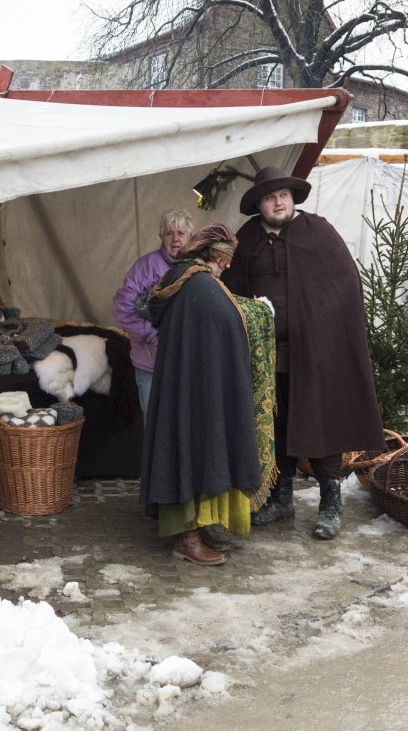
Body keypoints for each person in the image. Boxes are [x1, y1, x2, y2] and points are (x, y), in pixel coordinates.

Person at [222, 166, 383, 540]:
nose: (278, 202)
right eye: (269, 196)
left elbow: (344, 285)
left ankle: (330, 504)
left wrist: (322, 328)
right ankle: (282, 500)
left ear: (292, 198)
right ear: (259, 204)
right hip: (266, 355)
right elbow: (230, 290)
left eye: (283, 195)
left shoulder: (319, 233)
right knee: (277, 426)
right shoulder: (246, 239)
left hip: (316, 352)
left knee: (321, 422)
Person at [139, 223, 275, 565]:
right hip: (193, 390)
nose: (226, 266)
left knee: (193, 449)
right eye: (222, 258)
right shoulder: (199, 283)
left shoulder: (184, 279)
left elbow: (223, 313)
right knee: (192, 451)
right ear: (209, 254)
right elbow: (228, 316)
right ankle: (186, 538)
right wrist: (261, 311)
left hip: (189, 387)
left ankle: (197, 528)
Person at [112, 209, 194, 421]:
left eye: (181, 233)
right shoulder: (145, 267)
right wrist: (150, 335)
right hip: (152, 366)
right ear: (161, 237)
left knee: (186, 424)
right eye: (169, 233)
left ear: (190, 237)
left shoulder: (197, 269)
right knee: (156, 426)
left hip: (186, 365)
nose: (175, 239)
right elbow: (122, 308)